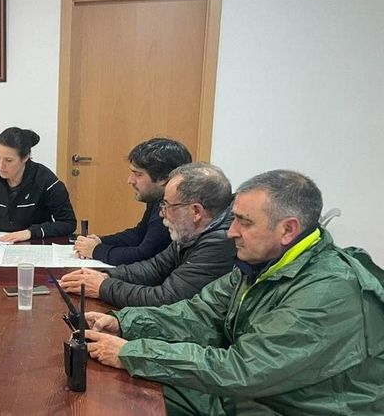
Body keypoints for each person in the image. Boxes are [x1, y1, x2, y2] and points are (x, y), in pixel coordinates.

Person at [83, 170, 384, 415]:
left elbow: (244, 369)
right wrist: (124, 322)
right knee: (121, 390)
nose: (231, 232)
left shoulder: (328, 291)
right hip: (254, 396)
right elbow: (199, 313)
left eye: (244, 222)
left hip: (290, 405)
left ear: (288, 230)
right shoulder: (264, 262)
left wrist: (131, 352)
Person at [60, 162, 235, 307]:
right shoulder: (191, 230)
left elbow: (167, 299)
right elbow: (155, 267)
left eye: (167, 206)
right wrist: (107, 276)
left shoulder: (220, 242)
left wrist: (103, 287)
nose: (161, 213)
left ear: (196, 211)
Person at [76, 138, 192, 265]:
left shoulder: (175, 208)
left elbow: (144, 255)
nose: (130, 180)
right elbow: (139, 234)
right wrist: (101, 241)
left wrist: (96, 250)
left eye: (138, 174)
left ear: (164, 178)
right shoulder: (158, 198)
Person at [0, 127, 76, 243]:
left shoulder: (45, 180)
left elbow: (68, 223)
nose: (1, 166)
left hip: (35, 243)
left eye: (8, 160)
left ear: (25, 157)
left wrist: (30, 232)